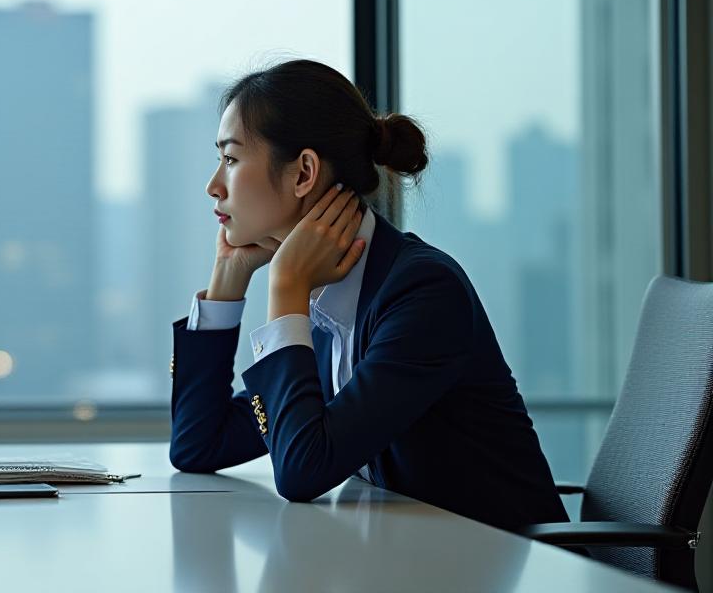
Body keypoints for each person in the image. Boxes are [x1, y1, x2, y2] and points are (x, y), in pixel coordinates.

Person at [168, 58, 569, 531]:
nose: (213, 185)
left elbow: (302, 471)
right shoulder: (330, 298)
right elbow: (198, 445)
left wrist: (286, 290)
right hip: (412, 563)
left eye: (231, 159)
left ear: (303, 173)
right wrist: (227, 281)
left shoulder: (422, 294)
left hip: (511, 568)